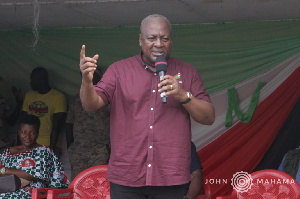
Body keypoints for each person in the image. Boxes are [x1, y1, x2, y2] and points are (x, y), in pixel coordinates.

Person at [79, 14, 215, 199]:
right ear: (140, 41)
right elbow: (91, 105)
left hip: (170, 176)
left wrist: (183, 95)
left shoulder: (188, 72)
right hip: (126, 176)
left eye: (164, 38)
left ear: (171, 42)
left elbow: (208, 117)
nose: (159, 43)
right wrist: (87, 82)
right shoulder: (119, 70)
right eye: (152, 38)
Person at [0, 114, 69, 198]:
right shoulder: (8, 152)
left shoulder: (43, 151)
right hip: (7, 188)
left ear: (37, 133)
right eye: (24, 132)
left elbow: (35, 175)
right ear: (18, 132)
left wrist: (6, 170)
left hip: (32, 192)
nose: (27, 137)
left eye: (32, 133)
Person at [66, 67, 110, 180]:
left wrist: (110, 148)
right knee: (77, 184)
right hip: (78, 150)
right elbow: (69, 124)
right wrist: (70, 146)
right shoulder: (76, 99)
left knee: (98, 184)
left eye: (94, 75)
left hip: (100, 150)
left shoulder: (107, 99)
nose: (90, 78)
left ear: (100, 77)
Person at [22, 67, 67, 156]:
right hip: (29, 143)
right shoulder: (29, 95)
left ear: (42, 80)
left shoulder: (58, 97)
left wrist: (51, 150)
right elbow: (23, 122)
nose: (30, 83)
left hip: (48, 144)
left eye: (33, 80)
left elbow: (56, 127)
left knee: (46, 170)